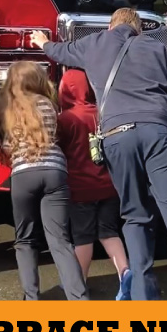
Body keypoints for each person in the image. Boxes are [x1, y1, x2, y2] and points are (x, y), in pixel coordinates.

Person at [31, 9, 167, 301]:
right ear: (139, 29)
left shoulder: (94, 43)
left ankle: (144, 296)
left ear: (111, 26)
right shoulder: (157, 47)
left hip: (118, 136)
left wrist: (42, 42)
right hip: (160, 132)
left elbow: (61, 52)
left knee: (135, 217)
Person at [0, 62, 90, 301]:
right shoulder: (49, 104)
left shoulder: (6, 109)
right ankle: (79, 298)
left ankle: (31, 298)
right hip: (55, 171)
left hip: (23, 174)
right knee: (59, 240)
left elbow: (1, 147)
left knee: (25, 240)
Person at [56, 69, 132, 299]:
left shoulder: (66, 119)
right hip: (109, 185)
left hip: (80, 188)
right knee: (109, 232)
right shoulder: (105, 113)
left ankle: (78, 286)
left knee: (83, 238)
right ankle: (125, 273)